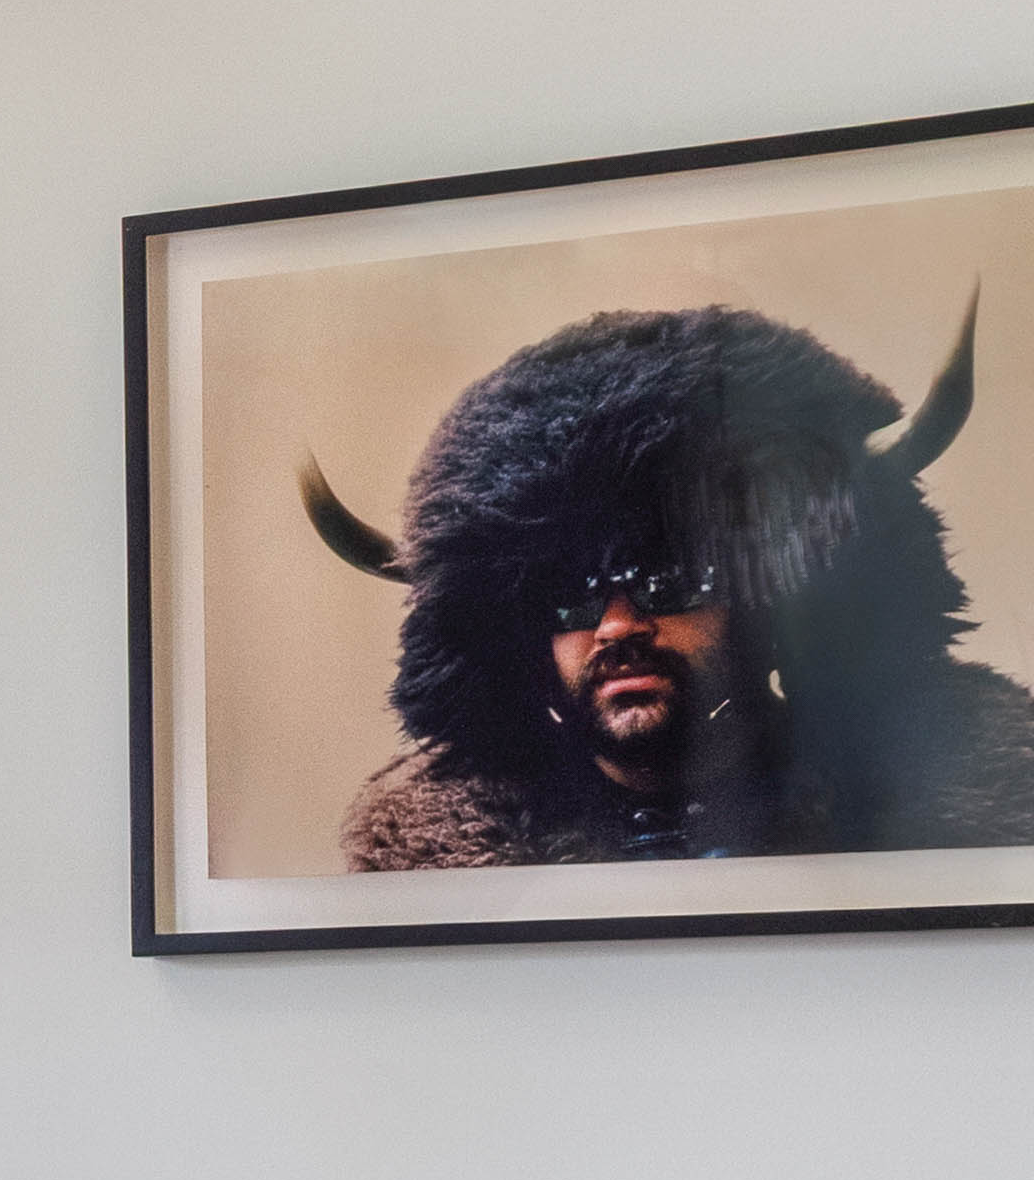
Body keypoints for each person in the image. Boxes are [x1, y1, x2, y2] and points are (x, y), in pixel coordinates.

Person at [312, 295, 1029, 865]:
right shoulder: (428, 862)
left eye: (672, 582)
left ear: (768, 608)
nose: (618, 626)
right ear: (525, 644)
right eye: (576, 600)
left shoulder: (952, 812)